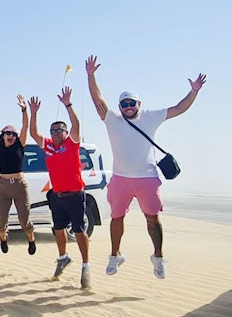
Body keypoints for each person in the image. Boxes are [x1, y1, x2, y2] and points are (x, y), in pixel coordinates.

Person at [86, 55, 206, 279]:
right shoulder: (113, 119)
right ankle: (115, 255)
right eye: (124, 104)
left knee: (152, 218)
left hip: (147, 178)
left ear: (139, 104)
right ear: (120, 107)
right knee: (116, 217)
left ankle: (158, 257)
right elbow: (97, 100)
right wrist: (91, 75)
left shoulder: (151, 116)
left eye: (132, 103)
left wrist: (194, 91)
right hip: (120, 178)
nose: (128, 107)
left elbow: (179, 108)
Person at [29, 88, 91, 289]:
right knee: (57, 228)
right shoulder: (48, 146)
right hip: (58, 196)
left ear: (65, 133)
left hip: (75, 195)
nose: (56, 133)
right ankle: (63, 257)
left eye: (59, 130)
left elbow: (76, 124)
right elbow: (33, 133)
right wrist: (34, 113)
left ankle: (86, 266)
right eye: (53, 130)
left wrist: (68, 104)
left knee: (80, 230)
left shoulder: (71, 144)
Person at [0, 95, 37, 254]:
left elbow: (25, 127)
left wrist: (24, 110)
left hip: (19, 185)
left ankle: (31, 240)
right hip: (3, 186)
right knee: (2, 220)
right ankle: (3, 240)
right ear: (3, 135)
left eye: (13, 133)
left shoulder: (20, 144)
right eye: (8, 133)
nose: (11, 135)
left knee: (24, 220)